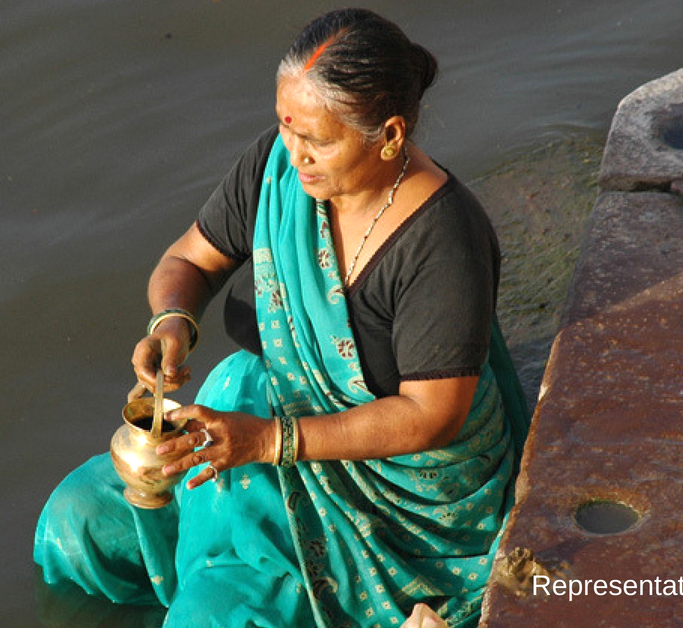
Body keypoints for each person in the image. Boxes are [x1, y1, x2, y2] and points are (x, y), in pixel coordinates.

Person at [35, 8, 529, 628]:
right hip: (257, 414)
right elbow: (190, 258)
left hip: (393, 496)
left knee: (209, 618)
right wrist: (172, 323)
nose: (295, 156)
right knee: (76, 525)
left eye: (318, 140)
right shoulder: (278, 167)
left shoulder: (442, 241)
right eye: (286, 129)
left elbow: (431, 417)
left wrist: (268, 443)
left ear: (391, 135)